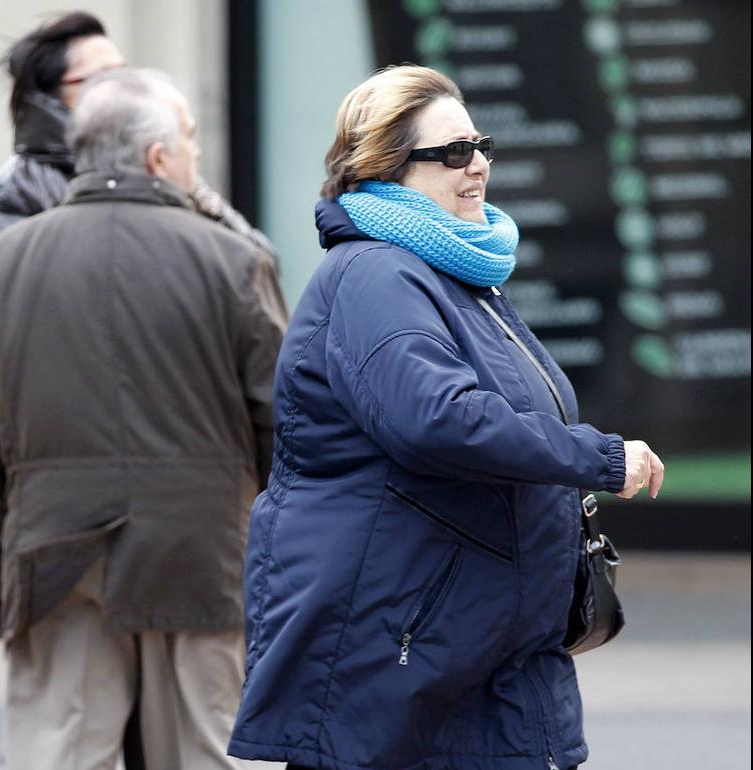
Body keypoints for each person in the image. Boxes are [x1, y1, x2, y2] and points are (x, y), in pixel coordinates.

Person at [227, 65, 665, 770]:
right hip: (401, 653)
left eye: (480, 144)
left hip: (465, 652)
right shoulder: (376, 274)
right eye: (453, 152)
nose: (479, 165)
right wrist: (598, 457)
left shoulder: (450, 273)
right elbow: (437, 417)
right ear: (386, 168)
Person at [0, 68, 286, 770]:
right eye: (189, 139)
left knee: (60, 752)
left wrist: (16, 507)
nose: (196, 156)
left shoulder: (1, 264)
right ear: (158, 157)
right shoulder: (233, 260)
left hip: (54, 550)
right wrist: (253, 515)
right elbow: (282, 416)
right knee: (205, 752)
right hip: (202, 555)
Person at [0, 11, 274, 257]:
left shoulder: (157, 159)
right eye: (104, 77)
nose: (121, 87)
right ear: (52, 97)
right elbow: (7, 300)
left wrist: (196, 193)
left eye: (126, 73)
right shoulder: (10, 192)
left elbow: (257, 263)